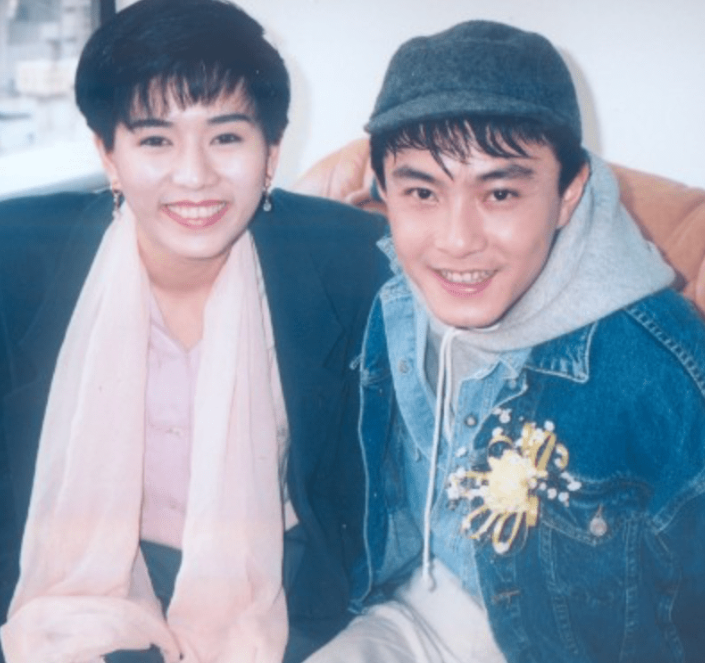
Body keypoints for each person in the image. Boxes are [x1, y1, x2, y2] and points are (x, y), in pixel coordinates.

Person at [306, 20, 705, 663]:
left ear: (568, 194)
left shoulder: (661, 371)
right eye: (422, 192)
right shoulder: (389, 297)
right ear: (381, 189)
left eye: (499, 193)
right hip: (413, 615)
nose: (457, 240)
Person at [0, 1, 388, 662]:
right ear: (108, 155)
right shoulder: (18, 260)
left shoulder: (351, 261)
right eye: (155, 140)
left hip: (279, 589)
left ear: (271, 152)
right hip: (69, 584)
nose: (194, 175)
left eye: (226, 137)